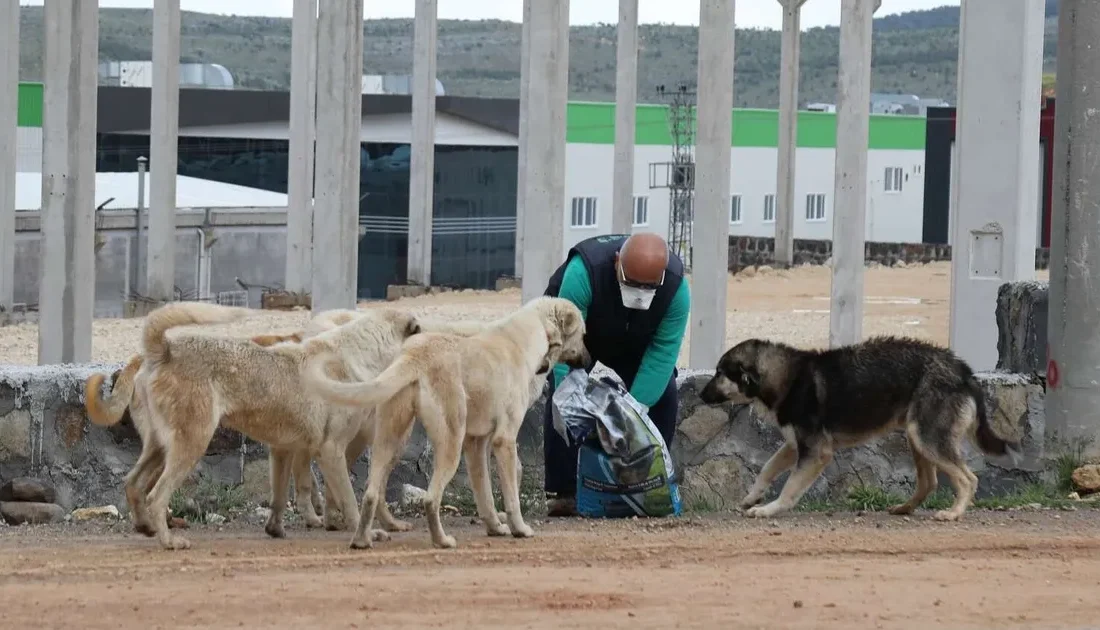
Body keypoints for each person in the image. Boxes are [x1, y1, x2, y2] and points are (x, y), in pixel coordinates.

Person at [541, 232, 690, 517]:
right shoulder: (584, 273)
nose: (639, 291)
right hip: (578, 334)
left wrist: (633, 414)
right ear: (617, 263)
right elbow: (561, 344)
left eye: (648, 287)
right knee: (563, 400)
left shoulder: (676, 291)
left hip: (637, 338)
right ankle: (563, 493)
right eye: (632, 284)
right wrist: (565, 391)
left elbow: (662, 354)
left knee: (665, 395)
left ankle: (649, 486)